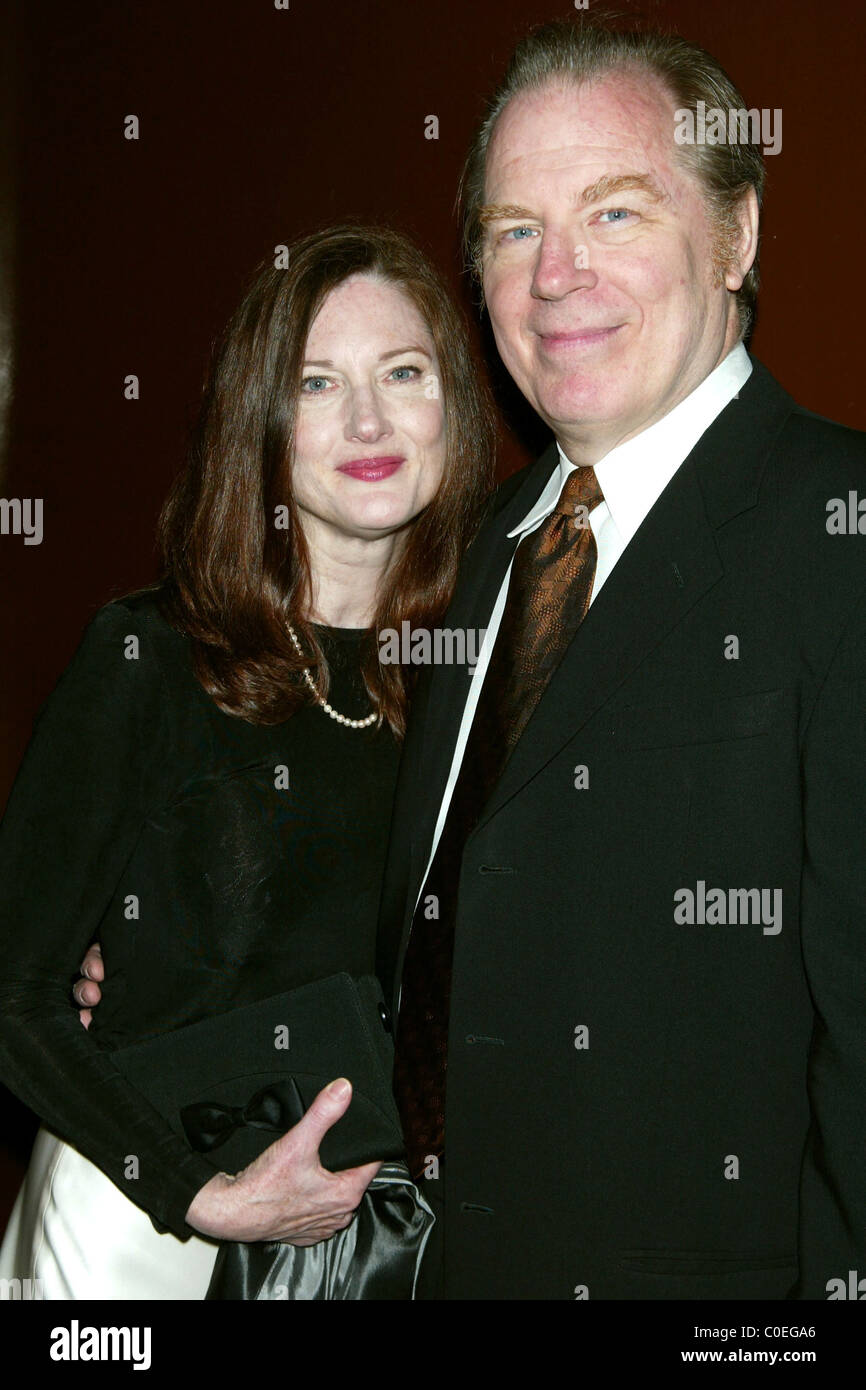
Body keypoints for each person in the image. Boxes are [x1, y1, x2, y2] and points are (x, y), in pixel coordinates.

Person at [374, 18, 866, 1299]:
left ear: (736, 235)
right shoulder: (475, 551)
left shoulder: (841, 531)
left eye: (614, 213)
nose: (553, 277)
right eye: (512, 229)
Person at [0, 224, 494, 1299]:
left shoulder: (479, 674)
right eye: (316, 383)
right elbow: (15, 993)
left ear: (452, 401)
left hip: (369, 1245)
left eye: (402, 373)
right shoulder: (150, 656)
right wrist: (188, 1190)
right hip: (146, 1233)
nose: (368, 420)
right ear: (259, 423)